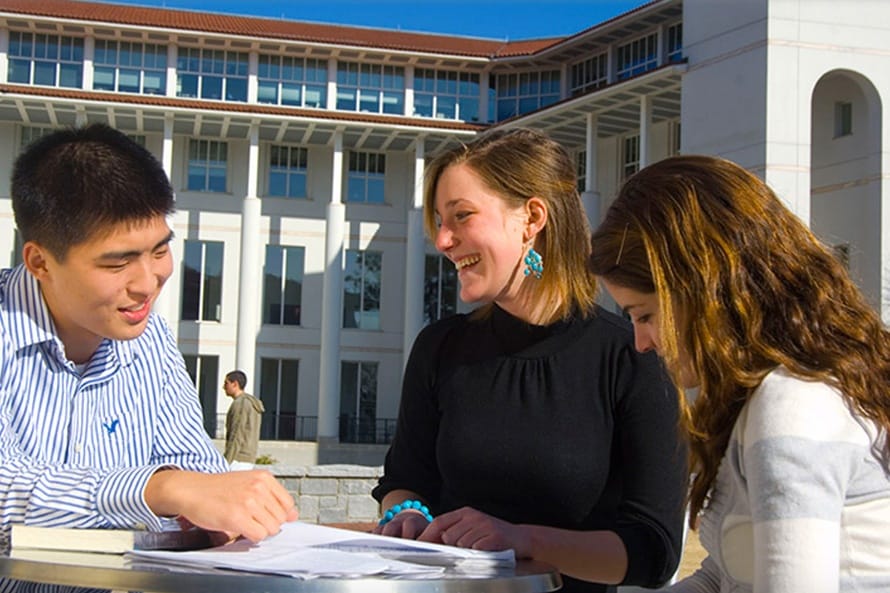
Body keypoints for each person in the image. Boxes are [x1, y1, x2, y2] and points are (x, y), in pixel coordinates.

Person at [372, 128, 688, 593]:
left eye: (461, 216)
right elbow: (404, 481)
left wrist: (523, 541)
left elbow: (654, 550)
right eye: (439, 221)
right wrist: (406, 513)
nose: (442, 240)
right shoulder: (439, 348)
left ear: (532, 218)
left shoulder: (633, 353)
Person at [588, 155, 890, 592]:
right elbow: (726, 576)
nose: (641, 343)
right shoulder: (782, 394)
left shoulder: (793, 404)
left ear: (704, 289)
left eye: (645, 314)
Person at [0, 124, 298, 554]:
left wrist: (226, 509)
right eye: (117, 263)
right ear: (40, 262)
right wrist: (158, 488)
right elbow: (6, 491)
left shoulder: (149, 337)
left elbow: (197, 467)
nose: (147, 284)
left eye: (159, 251)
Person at [223, 370, 264, 470]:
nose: (223, 387)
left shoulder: (241, 404)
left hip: (237, 459)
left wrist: (227, 460)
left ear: (235, 384)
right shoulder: (250, 403)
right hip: (247, 458)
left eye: (226, 383)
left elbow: (237, 434)